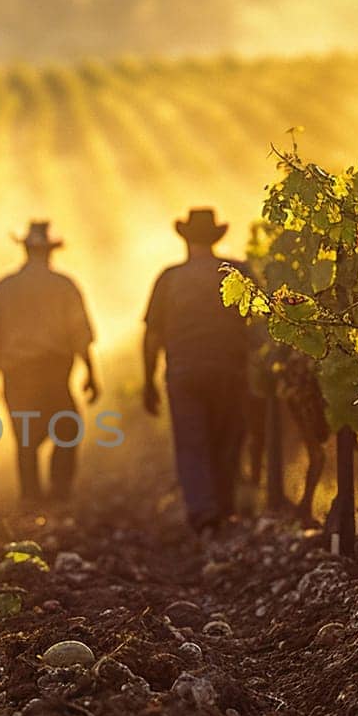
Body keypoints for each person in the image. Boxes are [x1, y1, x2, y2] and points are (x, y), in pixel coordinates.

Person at [141, 207, 251, 531]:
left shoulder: (169, 278)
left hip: (184, 372)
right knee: (227, 441)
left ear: (186, 240)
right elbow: (261, 320)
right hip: (230, 369)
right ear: (216, 238)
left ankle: (204, 513)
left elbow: (152, 335)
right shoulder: (239, 272)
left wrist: (148, 380)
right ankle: (225, 508)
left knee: (192, 443)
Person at [0, 220, 99, 505]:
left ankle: (31, 500)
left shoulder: (3, 288)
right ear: (50, 250)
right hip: (55, 370)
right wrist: (91, 374)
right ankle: (59, 493)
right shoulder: (64, 285)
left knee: (25, 439)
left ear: (24, 249)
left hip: (17, 373)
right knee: (68, 429)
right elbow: (80, 333)